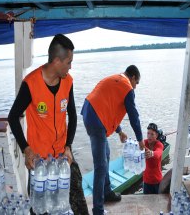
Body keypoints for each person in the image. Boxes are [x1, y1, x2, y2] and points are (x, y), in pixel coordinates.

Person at [8, 34, 89, 215]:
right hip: (40, 163)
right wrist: (26, 149)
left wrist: (68, 146)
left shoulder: (68, 81)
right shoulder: (31, 83)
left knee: (79, 207)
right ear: (57, 61)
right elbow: (13, 117)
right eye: (69, 62)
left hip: (63, 157)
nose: (71, 66)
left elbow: (73, 116)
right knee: (40, 210)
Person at [81, 65, 144, 215]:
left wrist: (120, 131)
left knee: (107, 154)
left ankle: (107, 191)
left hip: (90, 113)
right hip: (96, 120)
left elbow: (108, 107)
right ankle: (98, 210)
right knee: (101, 166)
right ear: (133, 77)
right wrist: (141, 139)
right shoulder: (127, 87)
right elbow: (134, 116)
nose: (135, 87)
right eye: (137, 83)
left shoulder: (116, 80)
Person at [143, 123, 164, 194]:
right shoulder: (144, 142)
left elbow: (158, 153)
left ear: (156, 135)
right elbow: (137, 146)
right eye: (148, 133)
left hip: (157, 181)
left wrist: (151, 153)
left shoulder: (159, 145)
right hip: (146, 181)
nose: (149, 136)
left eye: (152, 134)